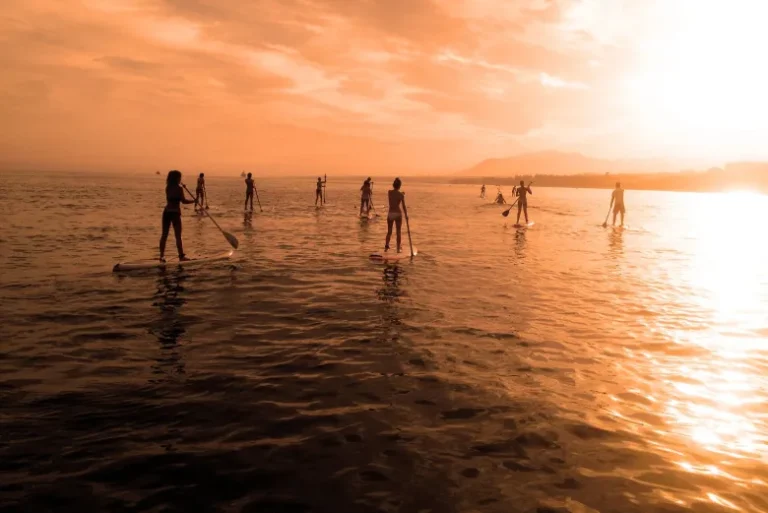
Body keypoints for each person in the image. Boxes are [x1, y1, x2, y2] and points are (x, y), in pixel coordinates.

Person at [160, 170, 196, 262]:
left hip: (166, 212)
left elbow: (172, 198)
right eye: (180, 177)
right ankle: (181, 256)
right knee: (178, 236)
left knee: (164, 235)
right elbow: (183, 201)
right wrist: (194, 201)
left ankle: (162, 256)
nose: (181, 178)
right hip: (175, 213)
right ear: (177, 178)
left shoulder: (167, 187)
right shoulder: (179, 188)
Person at [385, 178, 405, 252]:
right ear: (399, 186)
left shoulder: (389, 192)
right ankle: (398, 248)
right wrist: (406, 216)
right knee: (398, 232)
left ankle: (386, 246)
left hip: (390, 214)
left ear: (393, 185)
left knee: (389, 231)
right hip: (398, 214)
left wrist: (401, 194)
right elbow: (404, 207)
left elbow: (394, 193)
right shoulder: (401, 195)